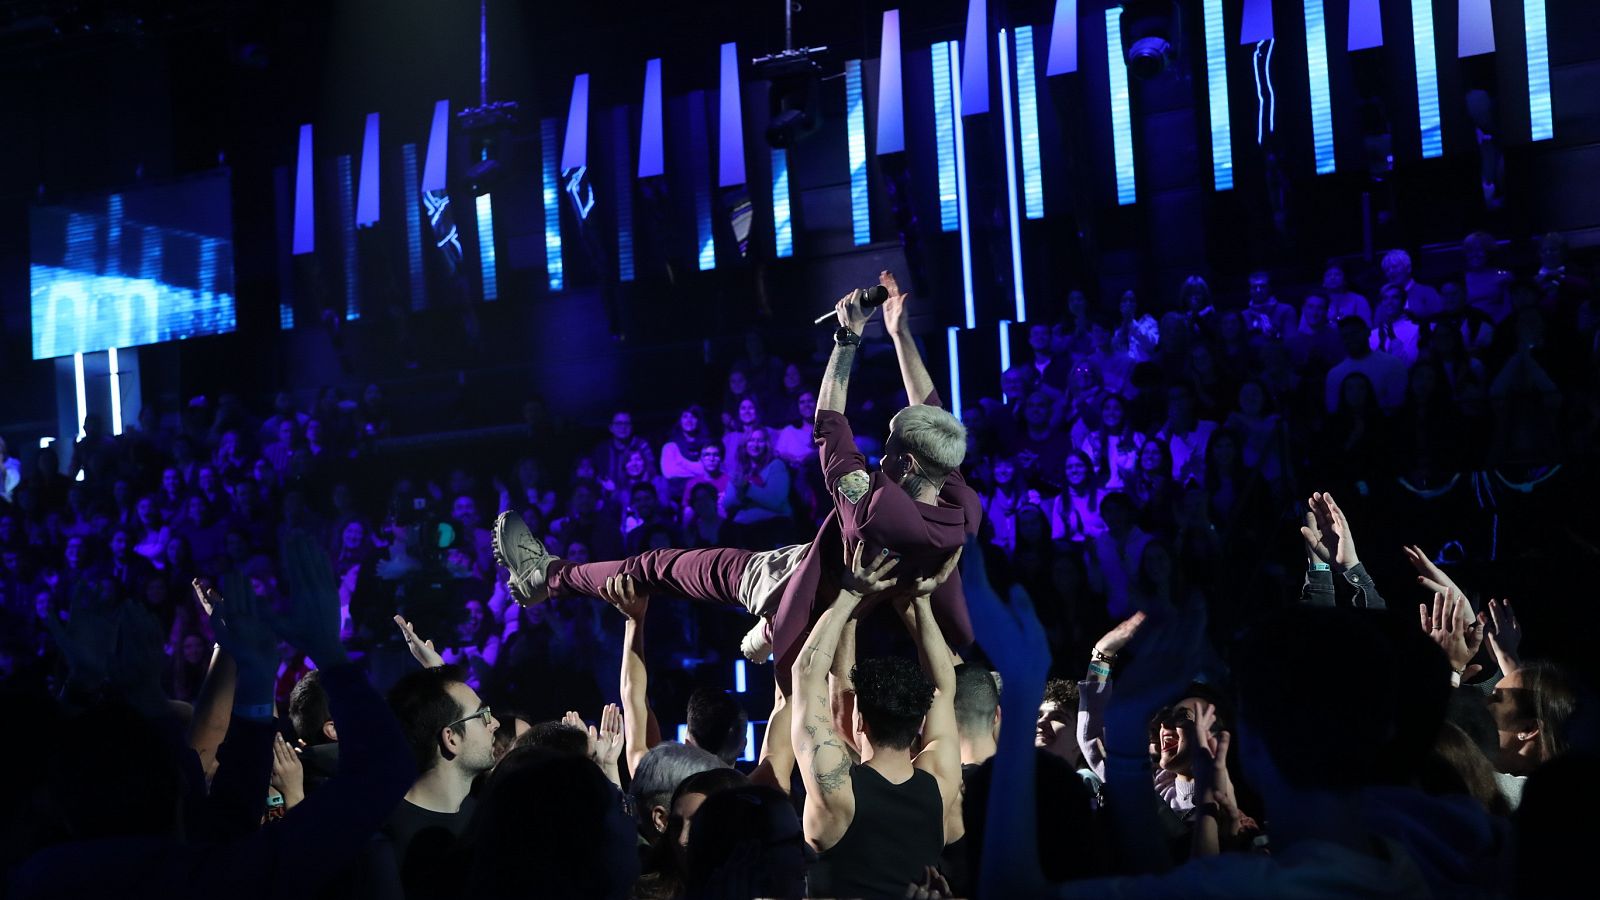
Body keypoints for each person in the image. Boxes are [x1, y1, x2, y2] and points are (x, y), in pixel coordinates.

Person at [494, 272, 981, 680]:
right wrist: (899, 333)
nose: (883, 454)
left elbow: (828, 423)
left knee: (658, 566)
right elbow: (933, 413)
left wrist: (848, 336)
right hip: (843, 598)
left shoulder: (877, 508)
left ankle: (548, 577)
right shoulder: (960, 511)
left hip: (797, 592)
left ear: (908, 463)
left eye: (891, 448)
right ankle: (764, 635)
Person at [791, 544, 962, 900]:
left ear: (858, 718)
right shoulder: (941, 784)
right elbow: (945, 688)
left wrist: (851, 593)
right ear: (919, 723)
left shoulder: (838, 792)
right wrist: (923, 603)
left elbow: (806, 675)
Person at [365, 664, 500, 900]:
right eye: (482, 715)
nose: (495, 723)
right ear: (451, 738)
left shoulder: (484, 813)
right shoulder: (383, 834)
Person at [1325, 315, 1408, 412]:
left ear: (1368, 332)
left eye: (1354, 333)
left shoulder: (1393, 365)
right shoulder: (1335, 375)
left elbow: (1398, 408)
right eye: (1345, 336)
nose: (1351, 339)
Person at [1383, 248, 1444, 321]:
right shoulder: (1384, 300)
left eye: (1394, 267)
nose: (1391, 272)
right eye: (1387, 270)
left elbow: (1439, 321)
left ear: (1408, 268)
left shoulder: (1427, 292)